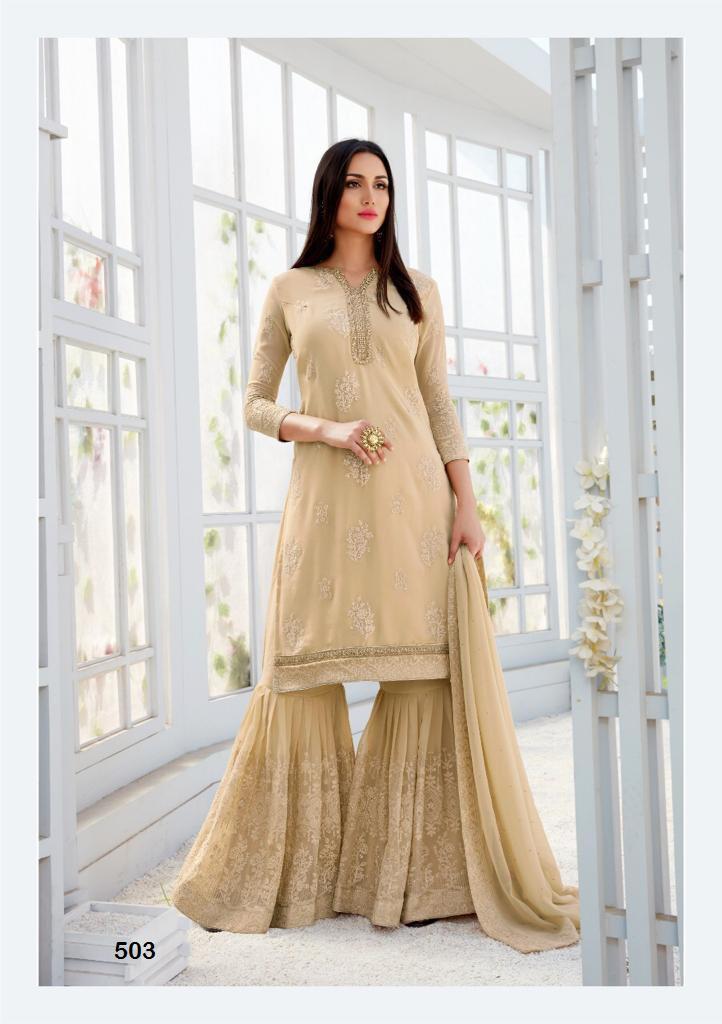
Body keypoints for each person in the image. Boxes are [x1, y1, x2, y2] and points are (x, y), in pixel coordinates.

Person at [171, 139, 580, 952]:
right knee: (300, 677)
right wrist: (324, 428)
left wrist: (468, 506)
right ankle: (297, 880)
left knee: (421, 680)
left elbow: (439, 404)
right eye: (356, 183)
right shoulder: (290, 290)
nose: (371, 196)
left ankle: (413, 880)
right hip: (323, 509)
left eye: (383, 185)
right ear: (329, 193)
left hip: (414, 504)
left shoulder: (416, 291)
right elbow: (253, 403)